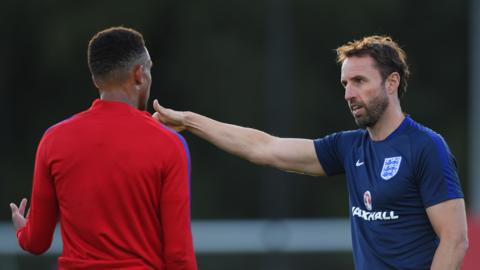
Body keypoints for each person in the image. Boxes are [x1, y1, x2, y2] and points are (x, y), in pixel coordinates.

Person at [152, 35, 468, 269]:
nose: (348, 93)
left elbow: (454, 240)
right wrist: (190, 122)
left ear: (392, 82)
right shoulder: (348, 147)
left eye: (359, 81)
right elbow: (265, 148)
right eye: (345, 83)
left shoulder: (426, 147)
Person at [9, 27, 197, 270]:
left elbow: (37, 242)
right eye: (149, 68)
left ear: (95, 79)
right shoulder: (170, 145)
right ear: (139, 74)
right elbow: (179, 256)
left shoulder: (54, 139)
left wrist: (23, 231)